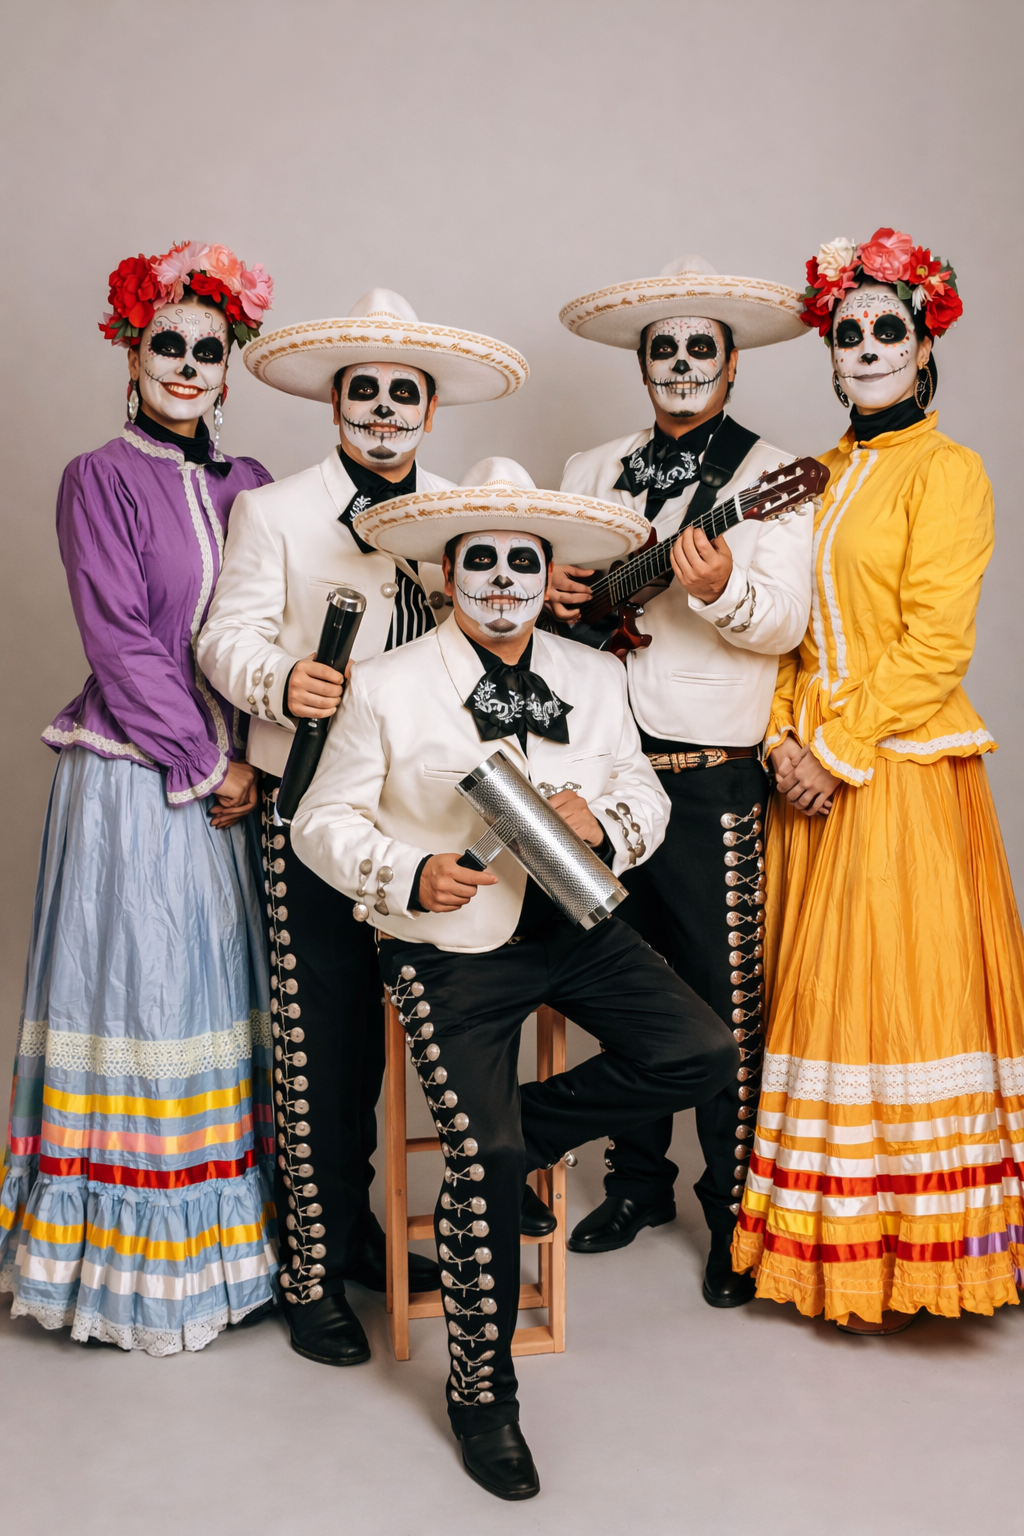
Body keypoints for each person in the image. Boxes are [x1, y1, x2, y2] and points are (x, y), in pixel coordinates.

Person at [289, 458, 739, 1498]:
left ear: (546, 577)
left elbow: (641, 791)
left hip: (577, 926)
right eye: (481, 561)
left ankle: (517, 1134)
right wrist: (408, 872)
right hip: (449, 945)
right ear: (448, 576)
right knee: (482, 1159)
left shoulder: (595, 676)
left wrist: (606, 823)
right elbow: (319, 820)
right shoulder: (389, 684)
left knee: (702, 1051)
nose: (502, 579)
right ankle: (483, 1397)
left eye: (522, 563)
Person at [197, 291, 530, 1367]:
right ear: (336, 404)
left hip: (422, 825)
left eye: (404, 394)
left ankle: (361, 1236)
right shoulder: (276, 512)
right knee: (320, 1051)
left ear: (430, 410)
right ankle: (313, 1273)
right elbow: (225, 637)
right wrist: (277, 679)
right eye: (366, 392)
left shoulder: (459, 516)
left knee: (406, 1049)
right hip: (308, 810)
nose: (385, 409)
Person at [732, 228, 1024, 1333]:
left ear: (923, 345)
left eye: (885, 329)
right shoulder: (815, 474)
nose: (864, 346)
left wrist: (836, 751)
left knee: (895, 1000)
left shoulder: (948, 472)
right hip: (808, 776)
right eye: (846, 331)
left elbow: (934, 644)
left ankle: (925, 1254)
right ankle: (832, 1245)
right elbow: (788, 634)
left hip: (895, 775)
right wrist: (780, 742)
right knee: (822, 1006)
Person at [0, 241, 277, 1353]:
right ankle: (131, 1279)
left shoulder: (251, 485)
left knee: (214, 999)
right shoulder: (98, 478)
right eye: (168, 344)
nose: (188, 367)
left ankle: (232, 1259)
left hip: (234, 778)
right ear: (131, 355)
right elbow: (120, 642)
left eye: (208, 351)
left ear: (228, 369)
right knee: (148, 998)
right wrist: (208, 765)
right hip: (137, 778)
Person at [549, 255, 813, 1305]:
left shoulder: (775, 475)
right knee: (626, 988)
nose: (682, 363)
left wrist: (723, 587)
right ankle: (637, 1185)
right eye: (664, 349)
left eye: (702, 349)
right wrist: (556, 588)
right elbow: (551, 609)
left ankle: (732, 1214)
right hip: (604, 778)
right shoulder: (588, 467)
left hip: (709, 780)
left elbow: (785, 624)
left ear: (732, 365)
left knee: (721, 1002)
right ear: (642, 364)